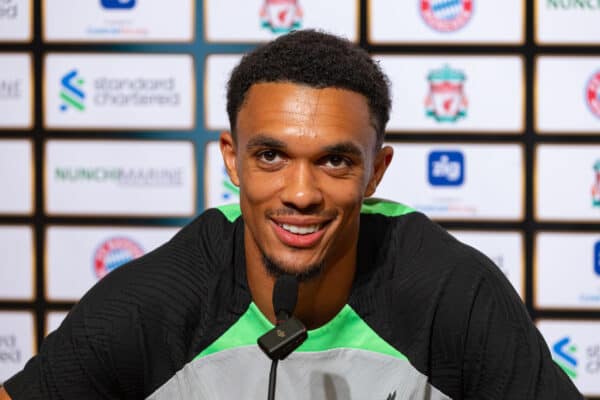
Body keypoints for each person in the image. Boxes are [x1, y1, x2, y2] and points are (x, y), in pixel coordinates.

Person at [1, 30, 582, 400]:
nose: (300, 193)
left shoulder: (450, 289)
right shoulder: (161, 296)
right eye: (271, 155)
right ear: (232, 159)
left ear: (376, 172)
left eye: (334, 160)